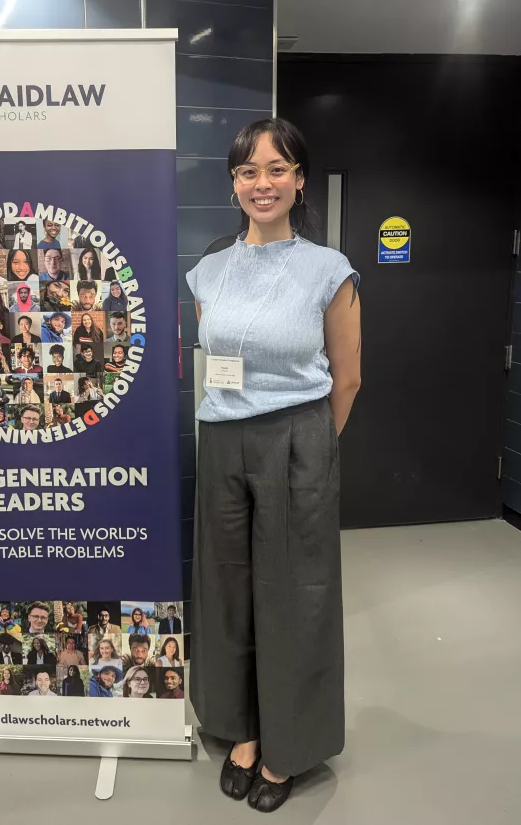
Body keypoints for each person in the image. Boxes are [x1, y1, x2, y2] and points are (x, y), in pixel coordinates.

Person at [187, 119, 361, 813]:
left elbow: (345, 379)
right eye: (248, 171)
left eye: (277, 168)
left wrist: (310, 446)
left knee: (295, 595)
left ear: (299, 180)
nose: (262, 183)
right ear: (233, 183)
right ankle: (241, 730)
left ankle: (290, 748)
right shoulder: (207, 268)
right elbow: (213, 359)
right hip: (222, 440)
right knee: (227, 590)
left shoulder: (329, 268)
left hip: (297, 440)